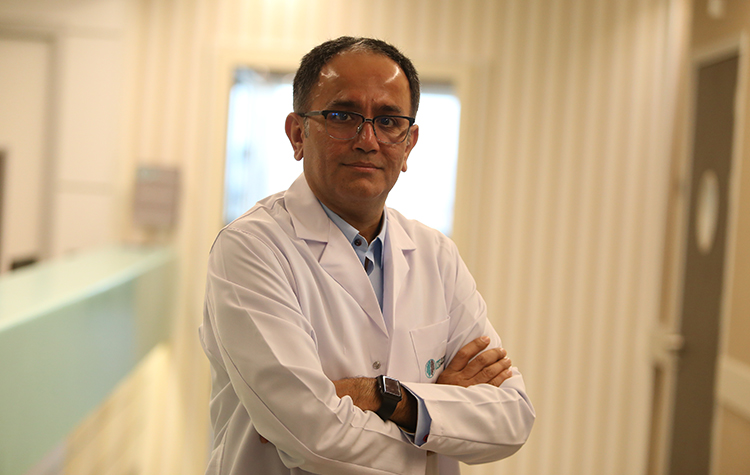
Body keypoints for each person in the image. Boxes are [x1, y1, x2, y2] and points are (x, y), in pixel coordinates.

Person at [199, 36, 535, 475]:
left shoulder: (436, 256)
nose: (368, 140)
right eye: (342, 116)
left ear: (409, 144)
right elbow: (313, 438)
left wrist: (382, 395)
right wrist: (435, 426)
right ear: (298, 134)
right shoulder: (251, 248)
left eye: (389, 121)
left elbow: (511, 418)